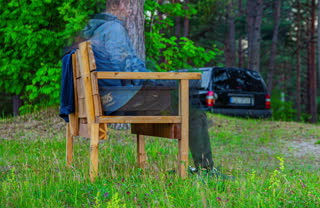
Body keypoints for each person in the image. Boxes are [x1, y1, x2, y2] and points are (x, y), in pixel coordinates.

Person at [61, 13, 214, 172]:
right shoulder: (113, 28)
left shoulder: (93, 34)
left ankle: (199, 157)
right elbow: (126, 64)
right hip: (119, 101)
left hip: (105, 100)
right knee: (192, 106)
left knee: (180, 96)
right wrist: (155, 80)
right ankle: (206, 170)